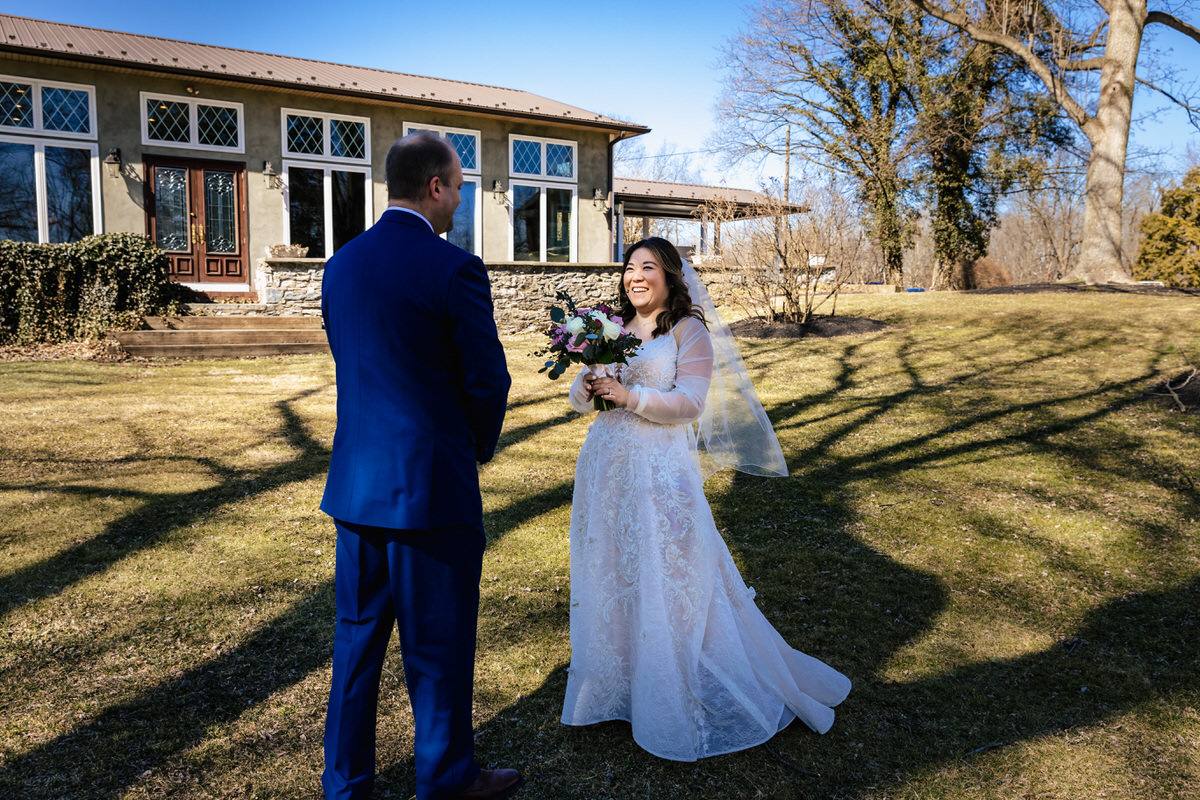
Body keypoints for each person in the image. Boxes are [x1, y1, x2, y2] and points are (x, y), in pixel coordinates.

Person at [560, 237, 851, 761]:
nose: (636, 276)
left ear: (671, 276)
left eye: (648, 267)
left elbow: (691, 403)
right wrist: (587, 385)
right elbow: (583, 401)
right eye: (629, 268)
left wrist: (631, 395)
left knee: (671, 573)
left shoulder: (689, 332)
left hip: (659, 471)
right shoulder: (611, 328)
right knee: (612, 570)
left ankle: (672, 684)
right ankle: (620, 682)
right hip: (607, 469)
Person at [319, 132, 520, 800]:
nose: (461, 199)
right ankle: (445, 780)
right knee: (436, 651)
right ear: (435, 186)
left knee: (356, 645)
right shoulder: (454, 268)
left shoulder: (340, 265)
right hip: (431, 494)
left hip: (356, 489)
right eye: (460, 186)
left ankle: (345, 785)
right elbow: (488, 380)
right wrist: (473, 449)